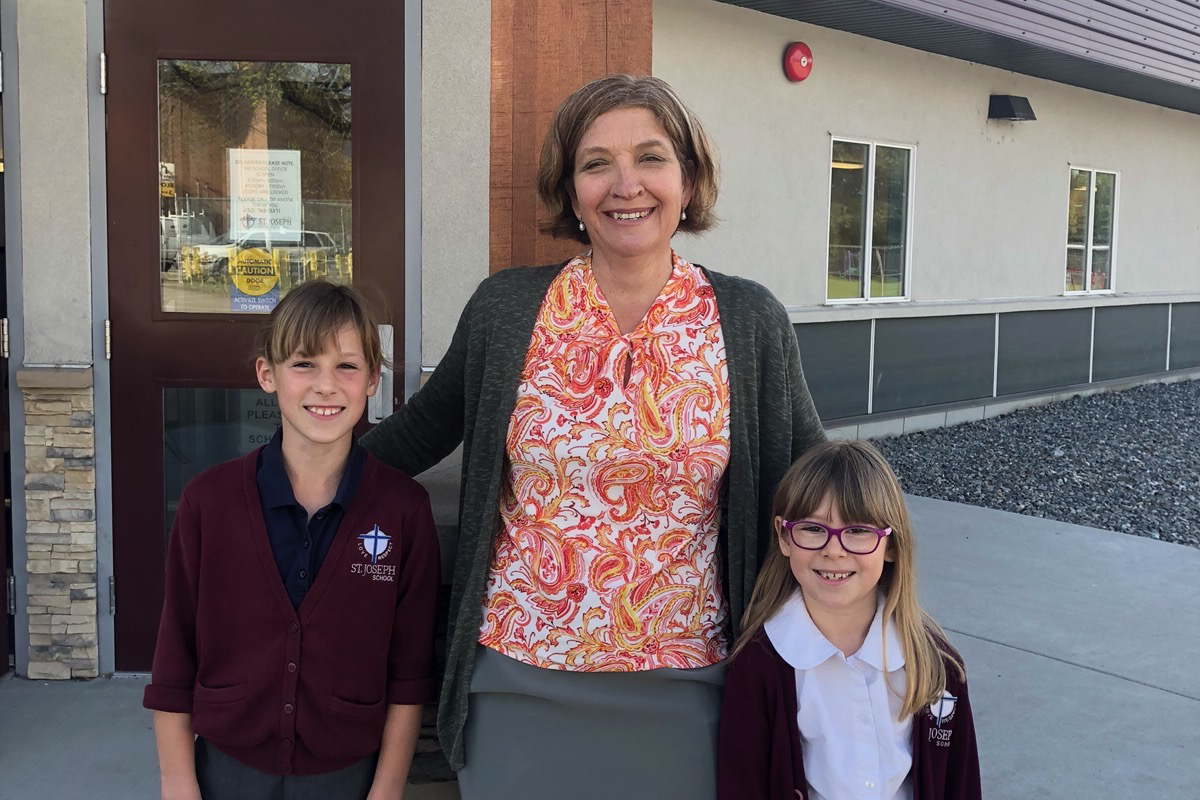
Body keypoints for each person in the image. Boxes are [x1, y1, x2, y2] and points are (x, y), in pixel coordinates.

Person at [361, 74, 825, 799]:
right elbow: (416, 435)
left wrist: (885, 579)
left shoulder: (748, 320)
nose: (625, 184)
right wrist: (282, 476)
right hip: (517, 676)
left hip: (690, 680)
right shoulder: (508, 309)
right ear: (569, 188)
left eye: (651, 157)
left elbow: (817, 476)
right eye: (596, 162)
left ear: (689, 178)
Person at [143, 280, 441, 800]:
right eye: (304, 363)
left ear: (372, 379)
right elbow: (175, 654)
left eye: (347, 366)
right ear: (268, 374)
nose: (326, 386)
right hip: (227, 767)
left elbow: (409, 670)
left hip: (348, 772)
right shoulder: (207, 503)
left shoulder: (403, 511)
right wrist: (178, 783)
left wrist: (388, 789)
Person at [717, 441, 981, 800]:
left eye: (858, 531)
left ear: (890, 545)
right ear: (783, 536)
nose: (834, 549)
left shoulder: (937, 665)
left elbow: (960, 784)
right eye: (812, 529)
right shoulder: (758, 666)